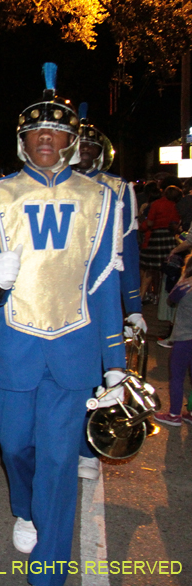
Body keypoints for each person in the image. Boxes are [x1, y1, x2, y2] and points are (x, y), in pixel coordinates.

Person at [0, 63, 125, 586]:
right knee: (14, 446)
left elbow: (102, 285)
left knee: (59, 461)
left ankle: (51, 569)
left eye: (56, 132)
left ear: (73, 141)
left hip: (74, 350)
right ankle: (24, 506)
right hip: (13, 347)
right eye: (36, 132)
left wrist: (115, 366)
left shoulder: (102, 200)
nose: (46, 140)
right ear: (22, 142)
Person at [72, 105, 147, 480]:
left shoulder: (120, 188)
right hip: (65, 291)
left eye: (91, 146)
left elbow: (129, 251)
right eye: (79, 144)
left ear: (100, 151)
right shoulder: (59, 185)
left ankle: (89, 449)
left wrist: (132, 306)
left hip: (103, 291)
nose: (84, 150)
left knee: (101, 373)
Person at [153, 255, 192, 426]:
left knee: (177, 376)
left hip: (184, 338)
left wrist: (183, 277)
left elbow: (172, 298)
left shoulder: (185, 286)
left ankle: (174, 414)